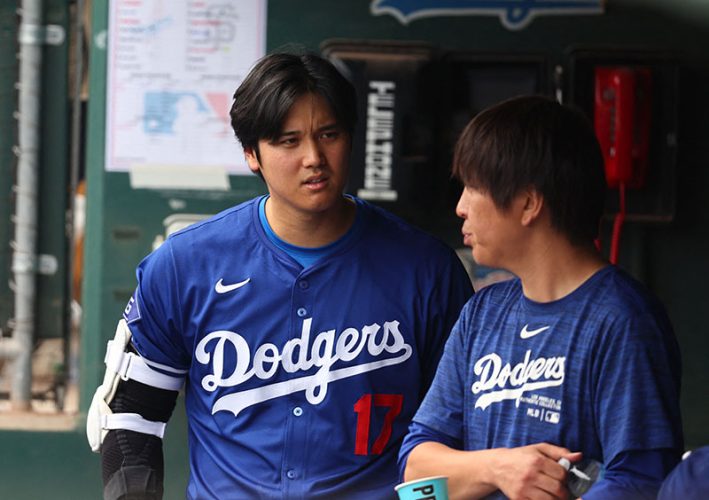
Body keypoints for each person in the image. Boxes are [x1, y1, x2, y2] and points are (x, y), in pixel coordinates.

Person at [86, 51, 473, 499]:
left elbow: (457, 433)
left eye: (329, 134)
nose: (314, 158)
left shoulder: (427, 271)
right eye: (288, 141)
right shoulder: (183, 266)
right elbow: (131, 414)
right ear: (252, 154)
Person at [398, 95, 684, 499]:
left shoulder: (624, 320)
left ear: (529, 203)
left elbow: (643, 480)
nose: (460, 206)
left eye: (473, 186)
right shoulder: (482, 312)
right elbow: (416, 473)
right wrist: (499, 468)